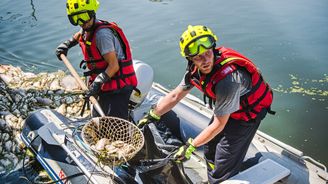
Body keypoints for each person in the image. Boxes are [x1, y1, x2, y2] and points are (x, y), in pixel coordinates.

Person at [137, 25, 274, 183]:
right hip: (227, 109)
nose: (206, 60)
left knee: (224, 158)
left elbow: (219, 124)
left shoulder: (228, 80)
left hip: (246, 115)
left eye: (208, 53)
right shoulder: (194, 71)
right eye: (198, 57)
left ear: (213, 49)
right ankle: (212, 178)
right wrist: (152, 115)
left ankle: (222, 178)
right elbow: (175, 95)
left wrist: (191, 145)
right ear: (190, 59)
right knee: (209, 148)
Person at [55, 0, 137, 120]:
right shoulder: (88, 27)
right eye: (75, 18)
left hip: (118, 88)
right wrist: (68, 44)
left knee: (114, 124)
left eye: (83, 16)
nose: (81, 22)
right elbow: (80, 34)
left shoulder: (102, 35)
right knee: (98, 118)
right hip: (106, 83)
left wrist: (97, 83)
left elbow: (114, 66)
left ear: (92, 13)